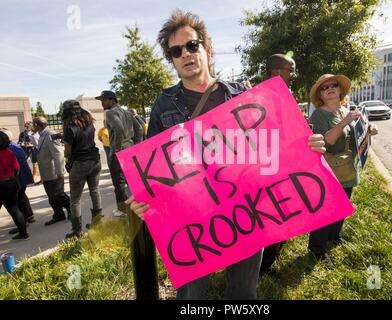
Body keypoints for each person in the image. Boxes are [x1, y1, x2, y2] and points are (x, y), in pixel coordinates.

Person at [126, 10, 326, 300]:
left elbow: (273, 146)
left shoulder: (243, 96)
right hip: (190, 221)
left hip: (246, 213)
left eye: (192, 45)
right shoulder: (163, 104)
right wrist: (143, 195)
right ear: (172, 59)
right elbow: (154, 163)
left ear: (207, 49)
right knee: (192, 297)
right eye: (176, 51)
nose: (185, 54)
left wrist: (307, 148)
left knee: (243, 294)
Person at [307, 74, 378, 268]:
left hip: (347, 169)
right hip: (328, 171)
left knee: (342, 206)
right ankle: (317, 249)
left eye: (334, 85)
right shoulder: (319, 115)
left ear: (340, 90)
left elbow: (356, 136)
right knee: (326, 211)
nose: (330, 88)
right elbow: (327, 140)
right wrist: (345, 121)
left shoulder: (346, 110)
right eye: (324, 87)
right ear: (320, 94)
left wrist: (368, 129)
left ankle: (334, 236)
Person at [259, 53, 298, 275]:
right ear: (276, 71)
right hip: (268, 170)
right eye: (290, 70)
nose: (294, 75)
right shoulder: (261, 97)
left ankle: (269, 259)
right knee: (273, 219)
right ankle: (262, 266)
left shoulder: (286, 94)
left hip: (286, 166)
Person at [95, 90, 143, 218]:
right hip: (130, 149)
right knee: (132, 180)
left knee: (119, 182)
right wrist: (136, 144)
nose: (102, 103)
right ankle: (139, 205)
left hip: (119, 152)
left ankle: (123, 210)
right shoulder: (127, 112)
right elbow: (139, 127)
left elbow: (119, 128)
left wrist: (116, 149)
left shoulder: (110, 113)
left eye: (104, 100)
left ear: (112, 100)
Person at [61, 100, 102, 238]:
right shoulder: (89, 122)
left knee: (75, 199)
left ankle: (77, 231)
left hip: (80, 163)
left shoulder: (70, 128)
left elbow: (67, 152)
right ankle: (97, 223)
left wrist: (68, 158)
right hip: (95, 160)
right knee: (95, 191)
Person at [33, 116, 71, 226]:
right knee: (51, 196)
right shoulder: (41, 135)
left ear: (37, 125)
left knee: (58, 194)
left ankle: (72, 210)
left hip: (53, 172)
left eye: (33, 124)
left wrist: (60, 171)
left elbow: (58, 153)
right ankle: (58, 214)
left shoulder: (50, 134)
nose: (32, 126)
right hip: (46, 172)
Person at [0, 128, 35, 233]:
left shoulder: (10, 150)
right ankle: (23, 231)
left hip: (2, 184)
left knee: (13, 208)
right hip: (12, 182)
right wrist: (13, 177)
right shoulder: (9, 151)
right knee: (14, 208)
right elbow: (16, 168)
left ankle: (23, 230)